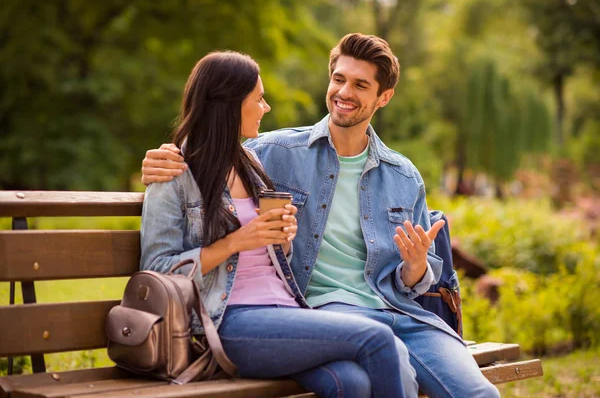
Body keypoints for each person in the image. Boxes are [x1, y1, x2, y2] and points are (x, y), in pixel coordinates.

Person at [142, 35, 501, 398]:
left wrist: (415, 266)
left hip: (398, 313)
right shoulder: (272, 153)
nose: (344, 91)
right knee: (381, 347)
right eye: (339, 79)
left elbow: (417, 282)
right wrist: (159, 161)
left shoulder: (403, 176)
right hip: (319, 312)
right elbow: (206, 155)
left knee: (469, 394)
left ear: (384, 97)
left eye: (360, 85)